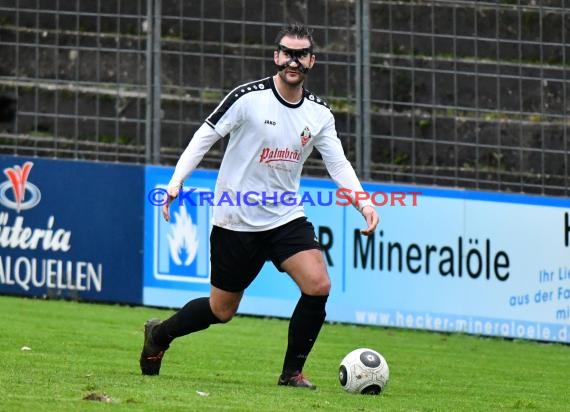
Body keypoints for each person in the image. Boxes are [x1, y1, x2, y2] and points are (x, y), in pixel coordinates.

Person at [140, 22, 379, 389]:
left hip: (285, 217)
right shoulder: (247, 98)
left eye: (301, 54)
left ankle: (291, 374)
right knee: (221, 310)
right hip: (235, 218)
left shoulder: (319, 114)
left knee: (318, 284)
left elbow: (338, 164)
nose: (293, 61)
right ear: (276, 56)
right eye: (287, 52)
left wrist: (363, 202)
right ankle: (160, 335)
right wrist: (175, 183)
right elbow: (204, 136)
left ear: (311, 61)